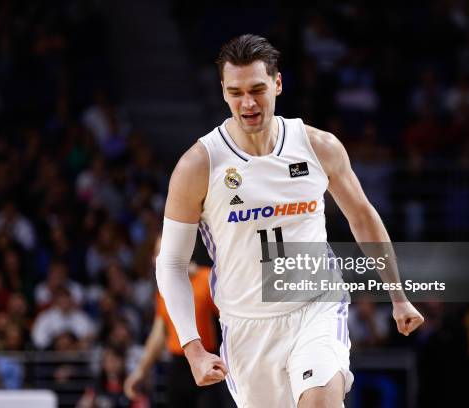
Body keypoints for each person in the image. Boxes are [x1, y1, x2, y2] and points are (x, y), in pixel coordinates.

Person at [155, 34, 424, 408]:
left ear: (278, 84)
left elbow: (362, 216)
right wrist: (193, 348)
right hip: (247, 325)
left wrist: (398, 297)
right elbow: (170, 263)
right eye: (236, 92)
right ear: (222, 92)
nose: (247, 103)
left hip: (315, 307)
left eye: (257, 89)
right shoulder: (199, 164)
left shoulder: (318, 146)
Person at [124, 235, 232, 407]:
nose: (158, 259)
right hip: (178, 366)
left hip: (207, 362)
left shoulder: (206, 279)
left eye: (163, 252)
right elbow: (159, 334)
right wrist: (141, 371)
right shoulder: (163, 290)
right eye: (156, 254)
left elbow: (231, 319)